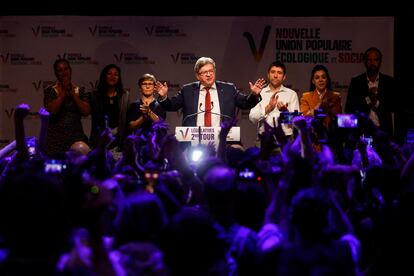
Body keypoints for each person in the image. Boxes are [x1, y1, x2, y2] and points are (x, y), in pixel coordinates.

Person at [156, 56, 265, 127]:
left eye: (211, 71)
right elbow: (171, 106)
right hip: (194, 139)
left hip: (223, 138)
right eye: (204, 72)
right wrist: (164, 97)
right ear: (197, 76)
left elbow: (245, 103)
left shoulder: (228, 89)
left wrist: (254, 95)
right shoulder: (187, 90)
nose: (209, 74)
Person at [345, 47, 396, 139]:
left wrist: (376, 103)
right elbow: (349, 108)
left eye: (375, 60)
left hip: (383, 131)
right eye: (369, 60)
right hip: (362, 131)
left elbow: (393, 106)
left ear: (380, 62)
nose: (372, 63)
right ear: (365, 62)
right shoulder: (356, 82)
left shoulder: (388, 81)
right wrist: (368, 100)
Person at [43, 58, 90, 156]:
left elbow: (86, 111)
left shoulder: (80, 90)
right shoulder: (50, 91)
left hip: (76, 136)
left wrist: (74, 96)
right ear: (56, 74)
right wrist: (64, 93)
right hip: (55, 139)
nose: (64, 72)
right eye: (60, 70)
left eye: (66, 69)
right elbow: (52, 110)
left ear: (70, 70)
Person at [249, 60, 299, 140]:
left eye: (279, 73)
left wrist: (285, 112)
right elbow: (252, 118)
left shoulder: (291, 94)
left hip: (285, 138)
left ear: (284, 77)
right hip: (264, 138)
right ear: (268, 75)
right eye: (273, 72)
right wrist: (267, 109)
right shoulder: (260, 93)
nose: (275, 75)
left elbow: (296, 121)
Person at [90, 64, 130, 151]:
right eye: (109, 74)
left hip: (119, 140)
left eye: (116, 74)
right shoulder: (95, 95)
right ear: (104, 76)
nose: (113, 76)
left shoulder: (124, 95)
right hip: (99, 139)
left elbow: (126, 120)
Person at [300, 64, 342, 129]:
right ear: (313, 81)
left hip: (330, 134)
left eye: (323, 77)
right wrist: (317, 108)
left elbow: (338, 117)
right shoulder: (306, 97)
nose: (320, 80)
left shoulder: (335, 96)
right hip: (312, 133)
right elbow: (304, 117)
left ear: (327, 80)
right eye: (317, 78)